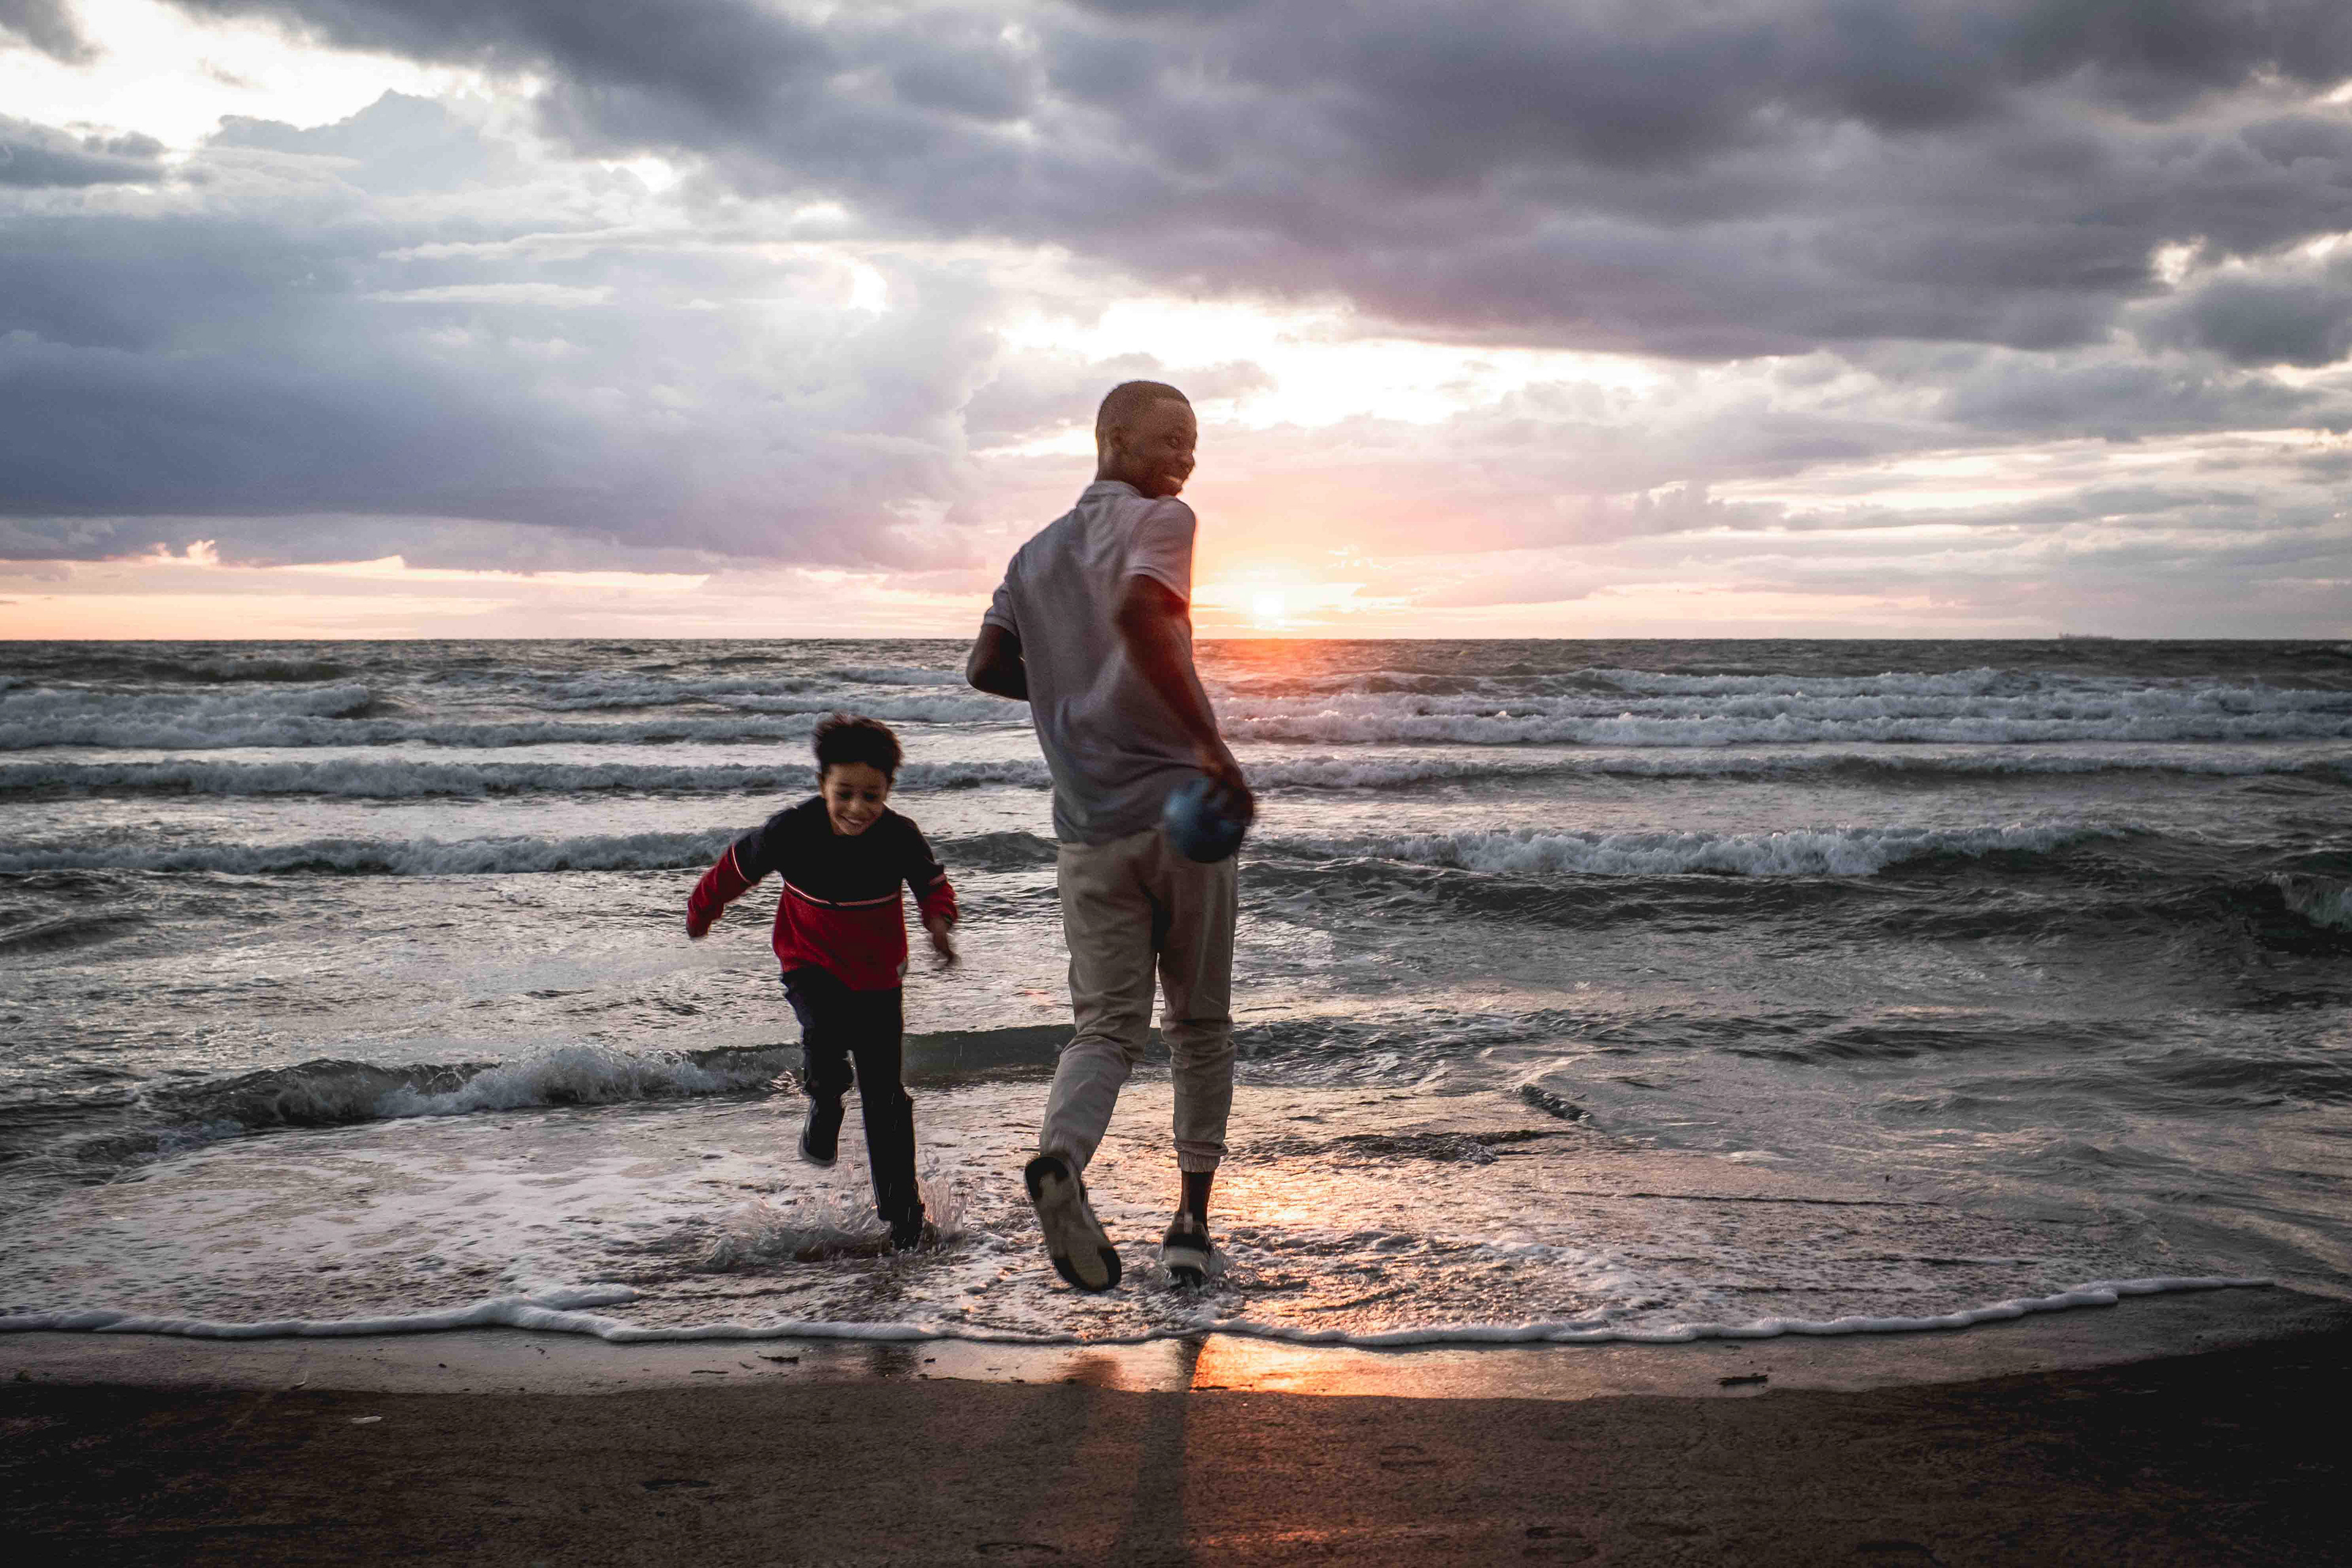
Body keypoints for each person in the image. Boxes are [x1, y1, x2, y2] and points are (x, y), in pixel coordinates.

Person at [965, 379, 1253, 1291]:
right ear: (1114, 438)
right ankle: (1190, 1226)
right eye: (1170, 438)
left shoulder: (1033, 555)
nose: (1187, 457)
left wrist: (1075, 689)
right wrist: (1213, 751)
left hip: (1087, 831)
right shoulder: (1164, 521)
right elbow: (1140, 616)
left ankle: (1063, 1160)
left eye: (1194, 442)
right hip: (1179, 815)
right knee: (1199, 1024)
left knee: (1105, 1028)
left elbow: (985, 666)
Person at [685, 714, 958, 1250]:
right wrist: (703, 910)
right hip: (808, 962)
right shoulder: (791, 830)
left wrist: (939, 926)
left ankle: (904, 1220)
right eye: (844, 794)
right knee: (825, 1034)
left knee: (886, 1097)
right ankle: (826, 1099)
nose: (857, 808)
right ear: (822, 785)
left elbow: (932, 885)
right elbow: (736, 868)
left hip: (878, 979)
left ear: (888, 791)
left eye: (871, 796)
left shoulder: (899, 836)